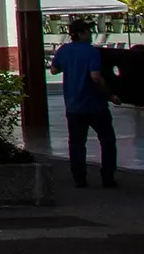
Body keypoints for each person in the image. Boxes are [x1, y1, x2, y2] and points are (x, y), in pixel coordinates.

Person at [50, 18, 117, 187]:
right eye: (88, 31)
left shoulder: (63, 50)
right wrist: (110, 95)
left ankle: (79, 178)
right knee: (107, 140)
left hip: (73, 106)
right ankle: (107, 177)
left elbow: (54, 69)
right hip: (95, 105)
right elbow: (96, 77)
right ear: (80, 34)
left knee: (77, 143)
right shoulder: (91, 52)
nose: (91, 34)